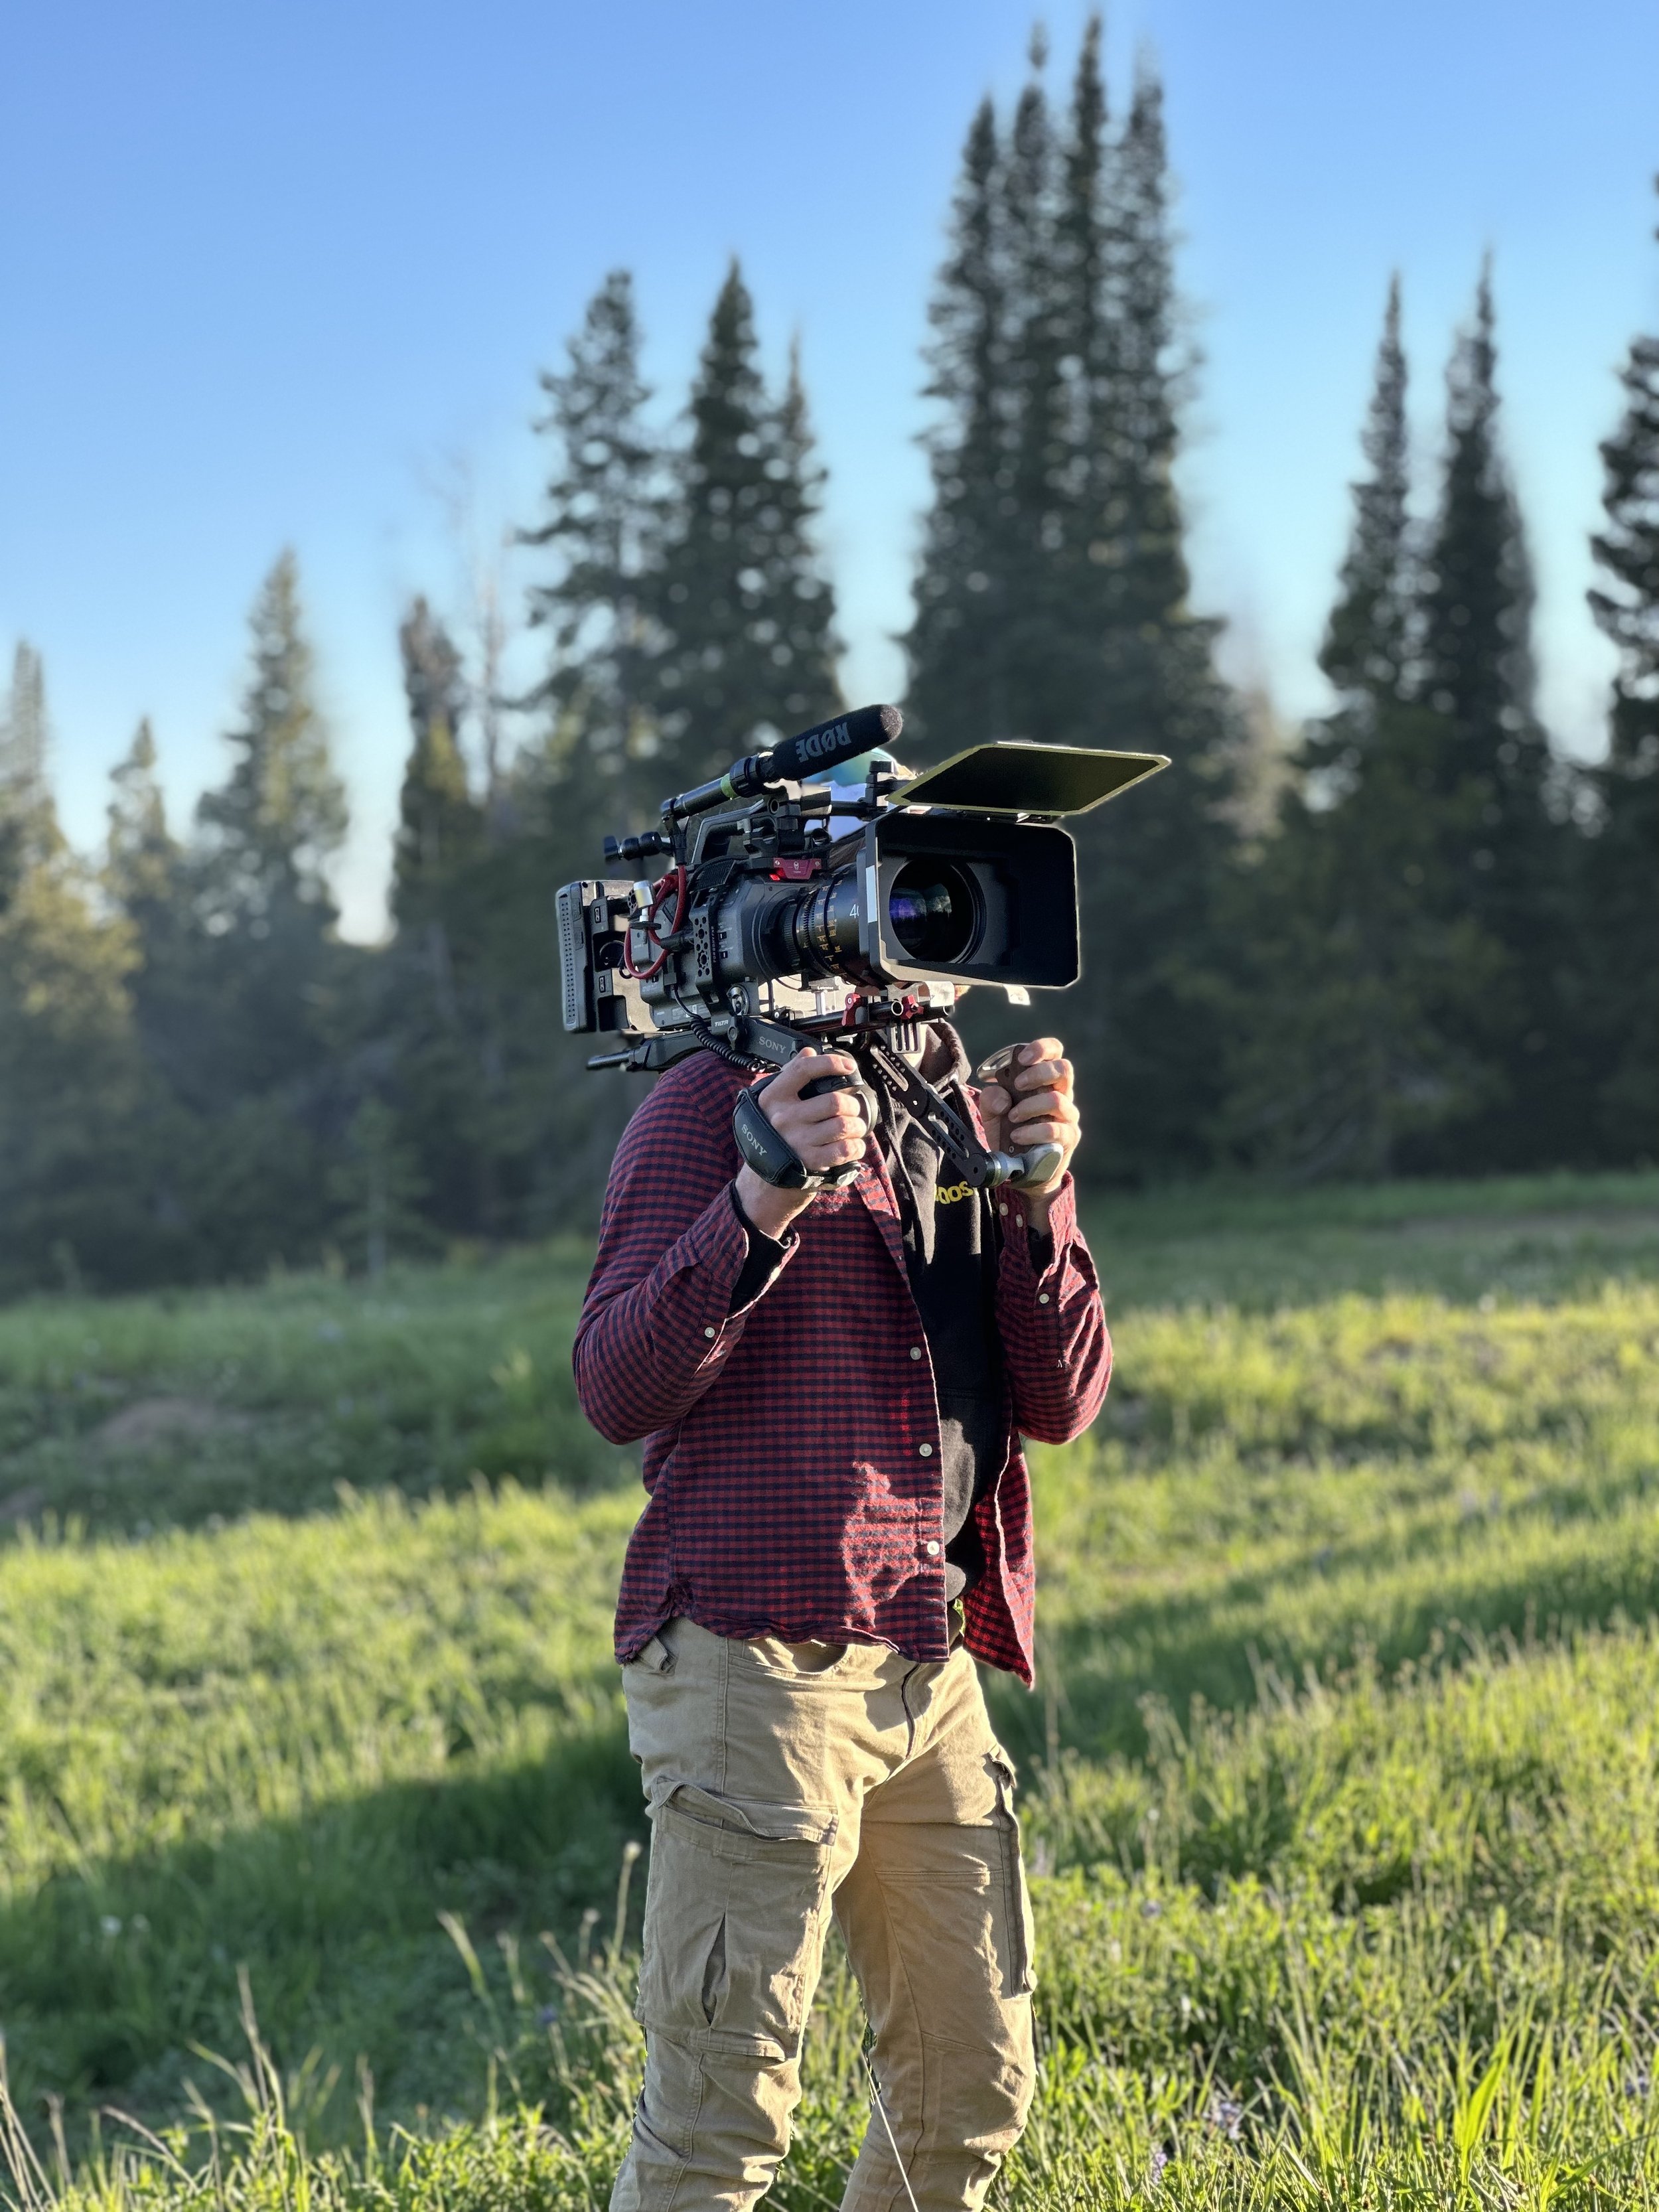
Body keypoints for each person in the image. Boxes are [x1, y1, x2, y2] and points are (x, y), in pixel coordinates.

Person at [573, 1023, 1111, 2212]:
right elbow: (613, 1384)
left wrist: (1039, 1196)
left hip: (928, 1656)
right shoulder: (709, 1100)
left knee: (966, 2091)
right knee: (717, 2131)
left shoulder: (955, 1103)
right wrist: (760, 1194)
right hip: (756, 1664)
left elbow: (1063, 1400)